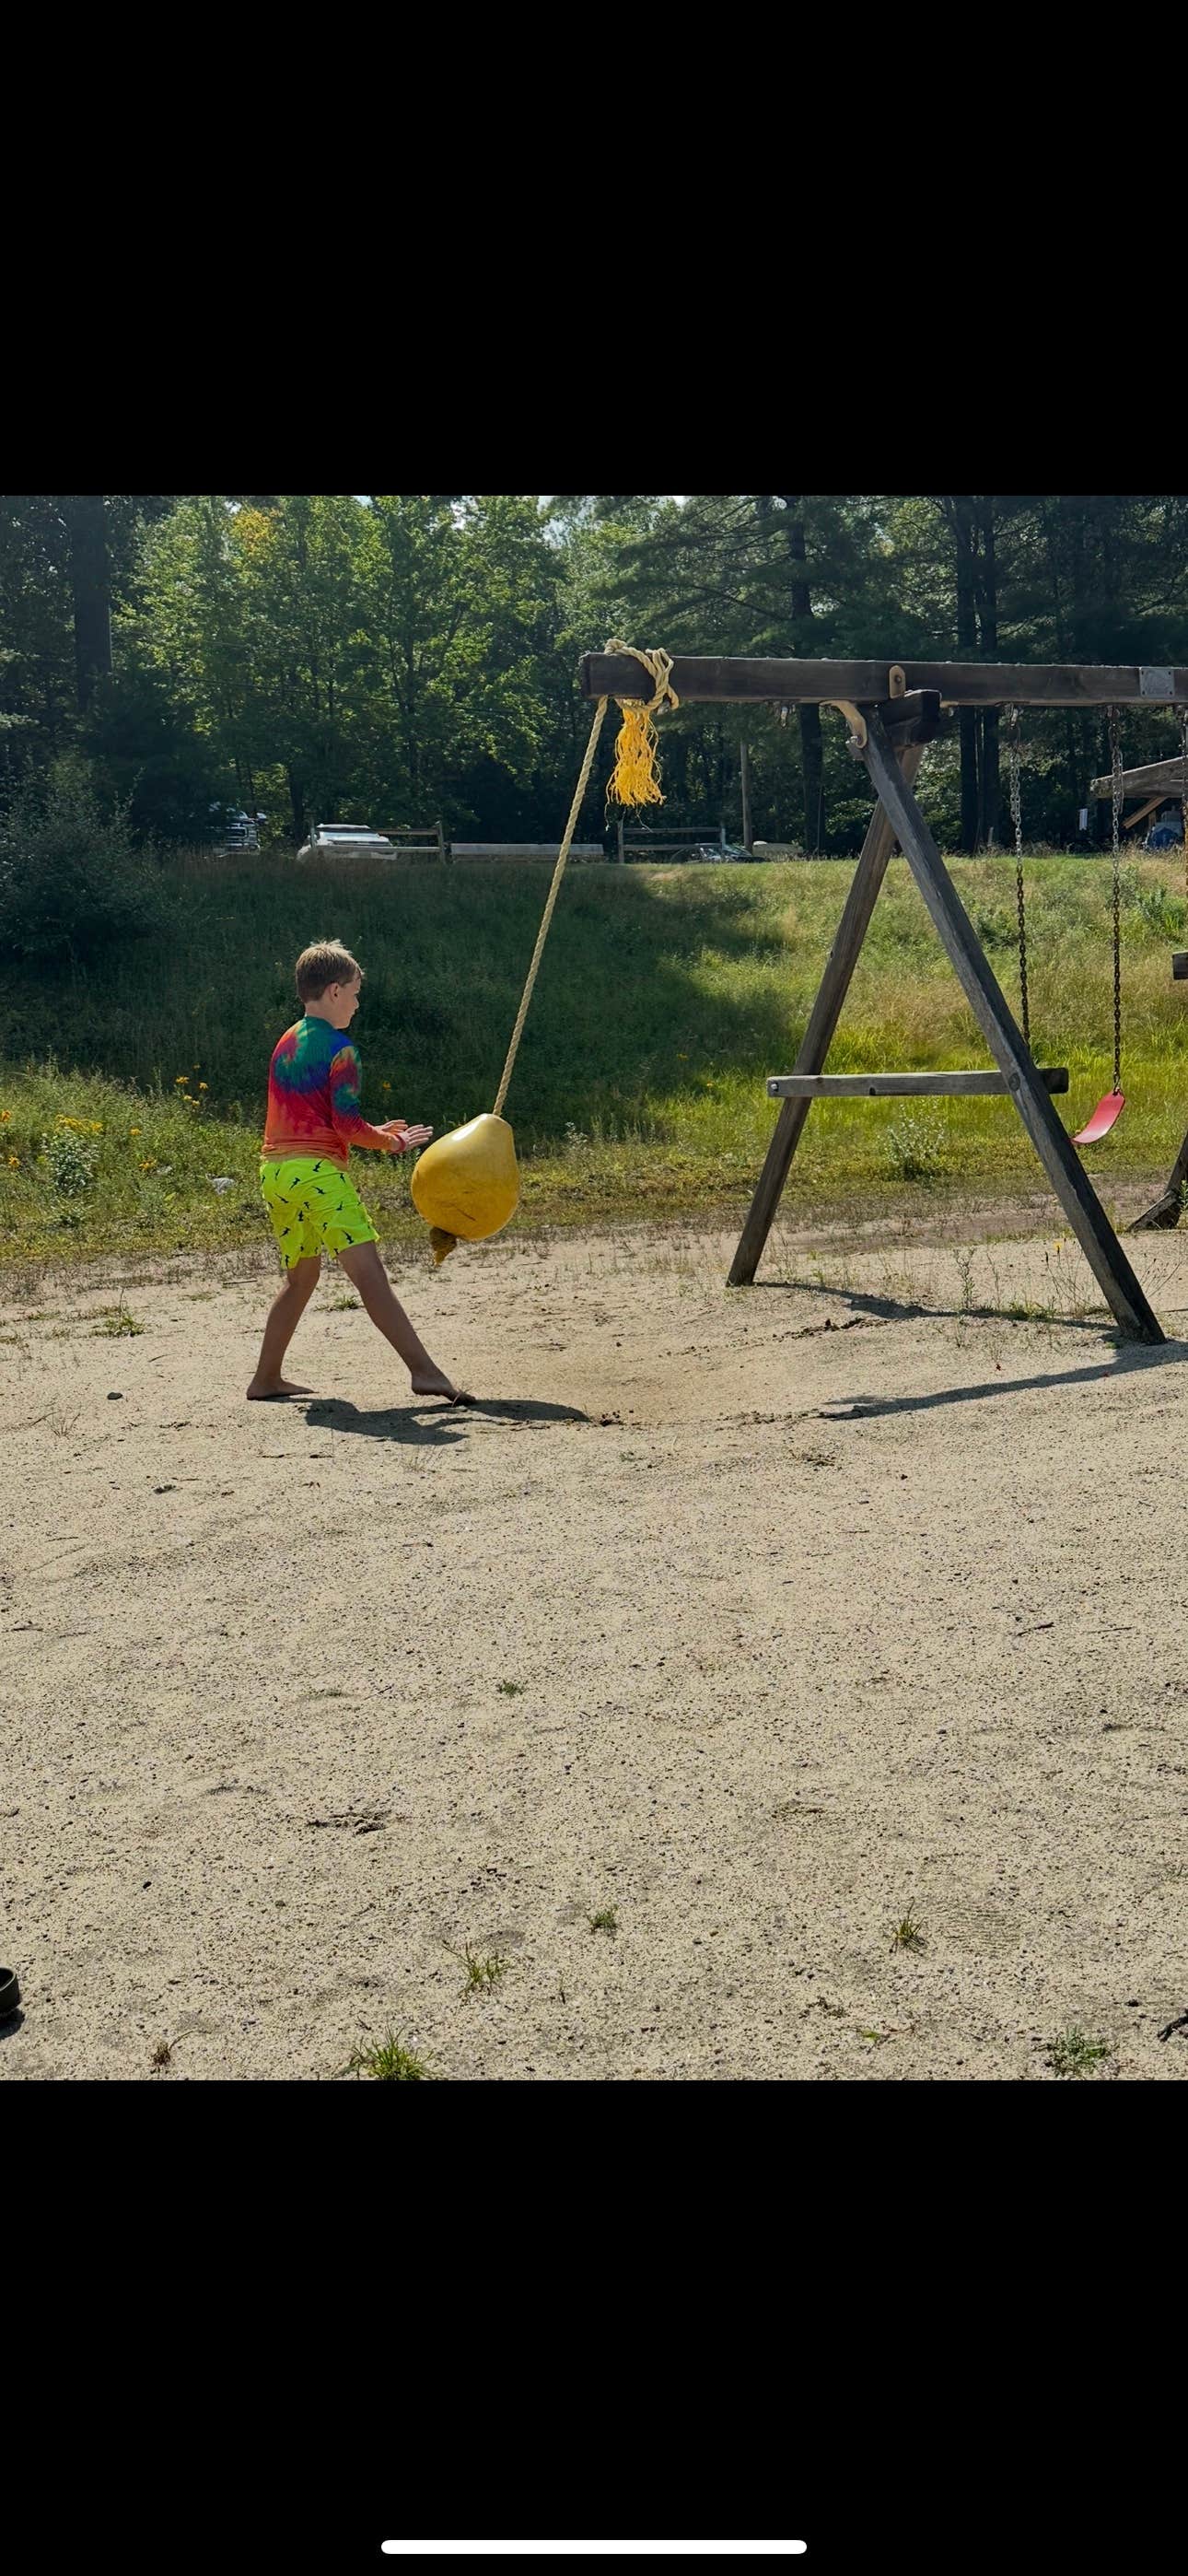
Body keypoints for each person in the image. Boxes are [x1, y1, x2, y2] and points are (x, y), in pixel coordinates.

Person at [247, 938, 467, 1404]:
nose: (357, 1002)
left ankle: (266, 1379)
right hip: (317, 1175)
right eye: (354, 992)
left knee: (301, 1279)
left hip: (276, 1173)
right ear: (332, 991)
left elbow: (323, 1120)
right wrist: (392, 1142)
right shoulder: (342, 1050)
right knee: (369, 1276)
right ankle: (424, 1372)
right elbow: (344, 1124)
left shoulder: (286, 1041)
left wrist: (372, 1130)